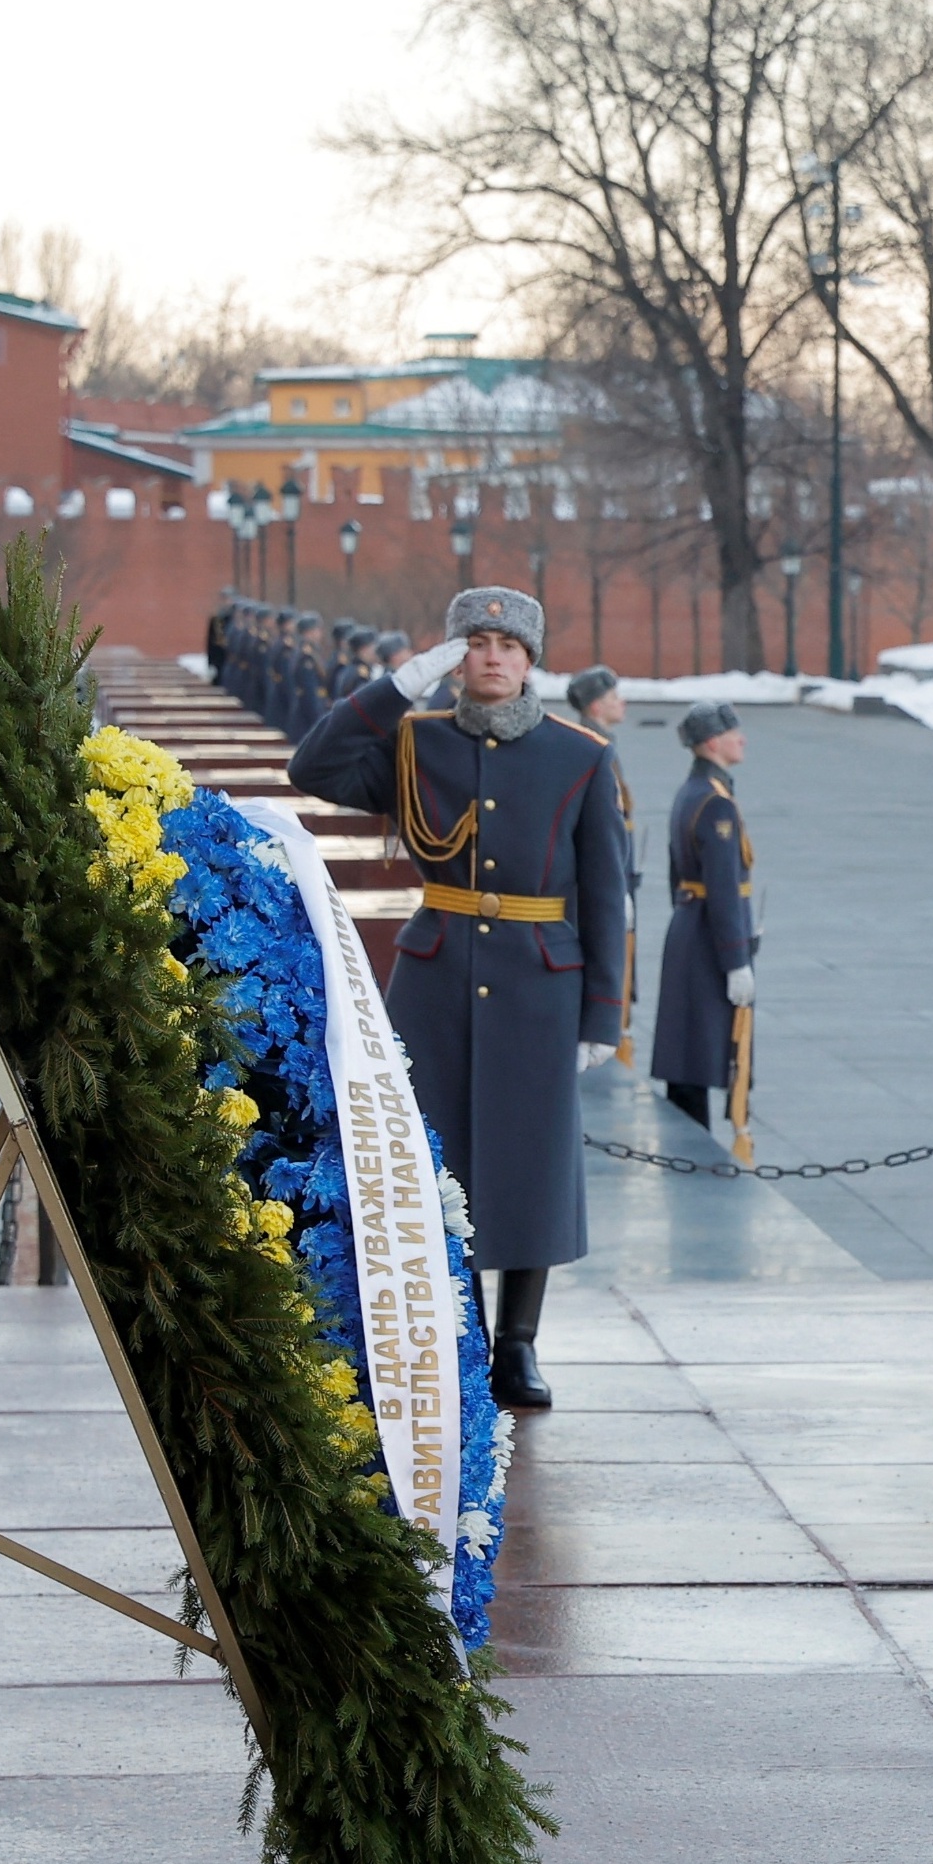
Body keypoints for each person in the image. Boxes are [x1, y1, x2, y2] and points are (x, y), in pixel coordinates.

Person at [290, 585, 631, 1412]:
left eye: (509, 646)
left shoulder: (581, 755)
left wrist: (601, 1015)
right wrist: (392, 688)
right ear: (453, 656)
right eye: (475, 643)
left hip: (540, 982)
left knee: (531, 1165)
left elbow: (604, 892)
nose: (492, 657)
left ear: (531, 660)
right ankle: (461, 1332)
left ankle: (518, 1345)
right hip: (437, 980)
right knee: (435, 1162)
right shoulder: (416, 742)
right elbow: (313, 766)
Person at [650, 702, 759, 1135]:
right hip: (709, 938)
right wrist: (736, 960)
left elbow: (678, 874)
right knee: (701, 1050)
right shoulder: (716, 803)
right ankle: (698, 1151)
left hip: (689, 924)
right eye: (734, 732)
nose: (742, 739)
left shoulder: (692, 791)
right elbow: (724, 889)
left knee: (688, 1048)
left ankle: (691, 1142)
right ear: (713, 742)